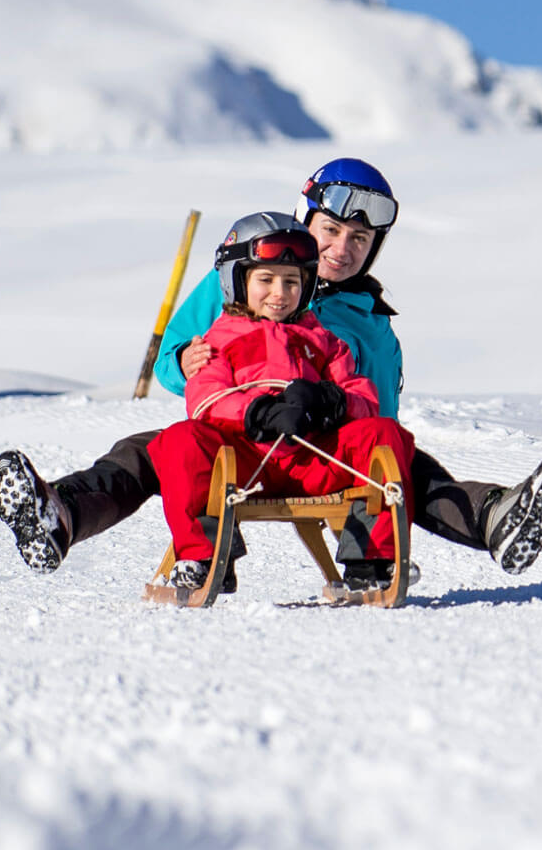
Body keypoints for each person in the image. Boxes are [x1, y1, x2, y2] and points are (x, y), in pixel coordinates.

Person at [0, 157, 542, 579]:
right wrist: (185, 363)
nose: (342, 249)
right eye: (330, 230)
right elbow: (178, 359)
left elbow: (379, 418)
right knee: (147, 450)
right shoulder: (247, 271)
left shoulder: (367, 318)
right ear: (304, 220)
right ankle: (59, 513)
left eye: (359, 238)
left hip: (326, 447)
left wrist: (340, 416)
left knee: (408, 463)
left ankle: (497, 517)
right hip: (233, 433)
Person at [147, 211, 414, 591]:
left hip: (314, 458)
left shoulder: (323, 340)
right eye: (266, 280)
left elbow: (363, 396)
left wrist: (331, 402)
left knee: (384, 433)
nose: (280, 293)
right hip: (244, 464)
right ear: (238, 282)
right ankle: (203, 557)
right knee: (180, 440)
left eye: (292, 282)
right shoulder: (218, 340)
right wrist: (257, 413)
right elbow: (207, 401)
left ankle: (371, 560)